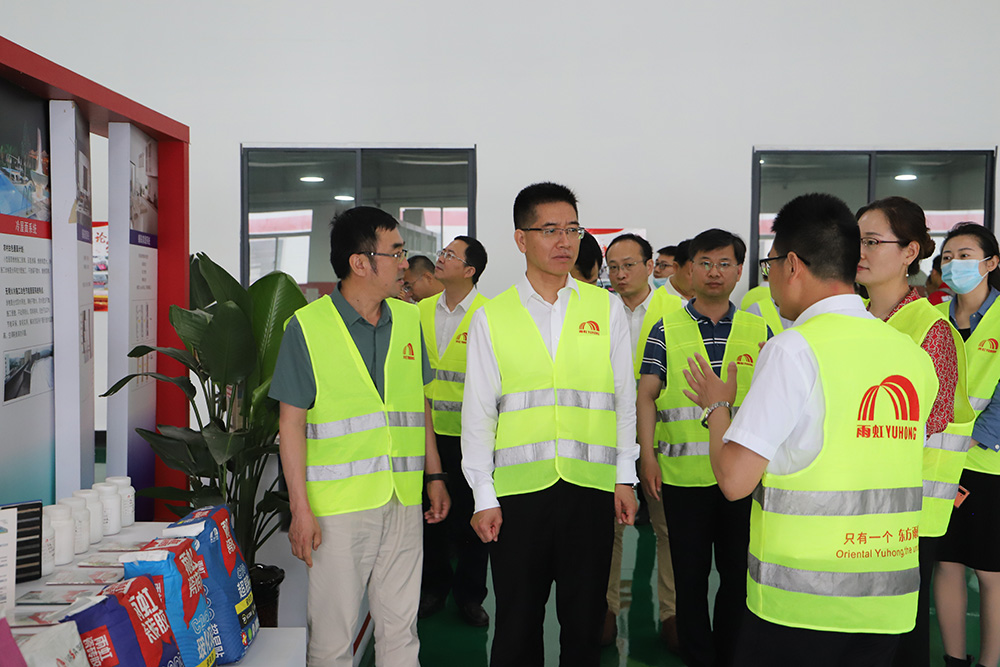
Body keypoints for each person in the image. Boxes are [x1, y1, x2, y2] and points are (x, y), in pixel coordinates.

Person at [682, 193, 937, 666]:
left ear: (793, 265)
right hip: (888, 603)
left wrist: (717, 406)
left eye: (770, 265)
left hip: (800, 608)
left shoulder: (794, 350)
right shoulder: (910, 354)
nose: (771, 281)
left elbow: (735, 481)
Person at [462, 182, 639, 667]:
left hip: (590, 489)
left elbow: (623, 400)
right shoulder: (492, 317)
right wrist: (482, 496)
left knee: (584, 625)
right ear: (521, 239)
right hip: (518, 497)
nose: (565, 241)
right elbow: (479, 415)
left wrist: (625, 477)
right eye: (550, 230)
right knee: (517, 627)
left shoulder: (605, 309)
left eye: (572, 229)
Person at [271, 206, 451, 667]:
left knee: (401, 630)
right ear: (360, 262)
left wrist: (435, 476)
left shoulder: (408, 320)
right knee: (333, 638)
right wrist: (300, 509)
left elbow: (420, 406)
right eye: (395, 253)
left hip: (403, 500)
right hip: (338, 509)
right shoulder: (306, 328)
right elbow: (290, 424)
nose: (404, 264)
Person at [637, 228, 769, 667]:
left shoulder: (759, 329)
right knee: (689, 579)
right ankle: (698, 656)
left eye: (724, 264)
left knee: (737, 576)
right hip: (683, 479)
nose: (715, 272)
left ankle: (730, 654)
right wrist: (647, 456)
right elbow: (646, 396)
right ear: (689, 270)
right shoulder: (665, 328)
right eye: (705, 263)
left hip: (742, 480)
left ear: (739, 271)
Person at [855, 196, 973, 667]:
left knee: (899, 632)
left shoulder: (929, 327)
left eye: (872, 241)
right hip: (860, 502)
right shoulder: (855, 319)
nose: (859, 252)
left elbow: (929, 422)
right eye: (855, 241)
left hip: (909, 510)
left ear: (909, 252)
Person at [603, 233, 681, 651]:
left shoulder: (677, 313)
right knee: (610, 527)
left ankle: (672, 614)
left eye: (629, 265)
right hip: (609, 437)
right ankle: (607, 610)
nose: (620, 274)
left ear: (651, 266)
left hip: (659, 439)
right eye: (613, 267)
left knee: (667, 528)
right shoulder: (597, 312)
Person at [934, 222, 1000, 667]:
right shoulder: (933, 319)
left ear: (990, 263)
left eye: (964, 255)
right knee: (947, 564)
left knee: (991, 572)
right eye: (947, 257)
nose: (954, 264)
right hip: (937, 465)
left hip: (986, 467)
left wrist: (969, 437)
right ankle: (954, 659)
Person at [417, 235, 491, 627]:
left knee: (472, 517)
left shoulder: (488, 315)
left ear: (469, 270)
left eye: (450, 255)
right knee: (430, 517)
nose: (441, 258)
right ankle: (433, 588)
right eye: (442, 252)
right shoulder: (418, 312)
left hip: (471, 437)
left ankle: (470, 596)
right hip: (425, 436)